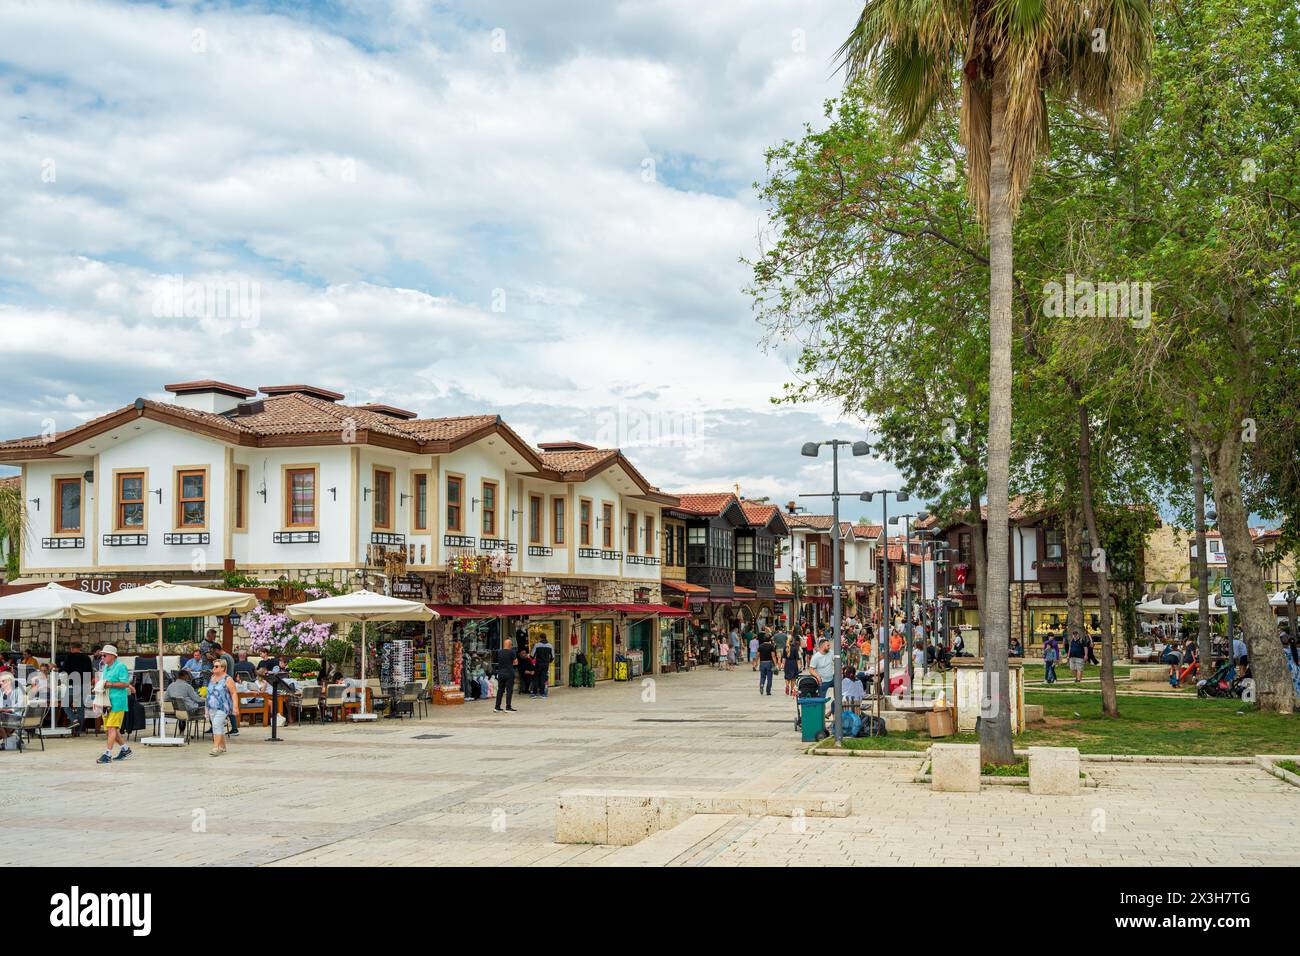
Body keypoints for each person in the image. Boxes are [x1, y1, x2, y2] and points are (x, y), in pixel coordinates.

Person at [97, 644, 134, 764]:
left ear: (113, 656)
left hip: (117, 702)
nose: (102, 657)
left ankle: (107, 754)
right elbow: (103, 683)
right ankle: (125, 749)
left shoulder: (120, 666)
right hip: (106, 701)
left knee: (112, 728)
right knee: (109, 730)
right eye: (102, 655)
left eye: (104, 655)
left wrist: (110, 684)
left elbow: (125, 683)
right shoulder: (106, 667)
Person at [205, 658, 240, 756]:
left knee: (216, 724)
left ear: (223, 668)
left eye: (216, 666)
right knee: (218, 726)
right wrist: (206, 707)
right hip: (212, 706)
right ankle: (222, 746)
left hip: (223, 706)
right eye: (214, 666)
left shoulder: (227, 679)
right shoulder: (212, 677)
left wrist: (235, 707)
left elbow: (233, 693)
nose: (214, 668)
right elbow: (209, 693)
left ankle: (215, 747)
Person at [58, 642, 94, 733]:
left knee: (65, 704)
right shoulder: (87, 657)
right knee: (80, 707)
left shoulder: (69, 657)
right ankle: (78, 731)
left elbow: (64, 669)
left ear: (72, 648)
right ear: (80, 648)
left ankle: (74, 720)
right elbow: (90, 672)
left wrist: (57, 668)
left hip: (74, 684)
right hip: (85, 685)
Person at [494, 638, 517, 713]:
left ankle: (497, 707)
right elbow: (516, 662)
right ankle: (508, 707)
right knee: (509, 690)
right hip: (509, 673)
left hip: (501, 673)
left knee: (500, 690)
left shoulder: (499, 652)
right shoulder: (512, 652)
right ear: (510, 645)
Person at [531, 632, 554, 698]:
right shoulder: (550, 646)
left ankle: (534, 693)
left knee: (536, 678)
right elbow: (552, 657)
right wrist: (548, 662)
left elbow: (532, 655)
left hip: (538, 664)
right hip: (545, 664)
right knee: (543, 678)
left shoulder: (537, 645)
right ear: (546, 637)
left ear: (540, 638)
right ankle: (542, 694)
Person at [756, 632, 776, 696]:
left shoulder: (760, 646)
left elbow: (757, 655)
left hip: (762, 663)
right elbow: (773, 656)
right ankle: (768, 691)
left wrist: (756, 663)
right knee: (769, 678)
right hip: (769, 663)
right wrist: (775, 664)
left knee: (762, 676)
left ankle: (762, 684)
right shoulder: (771, 646)